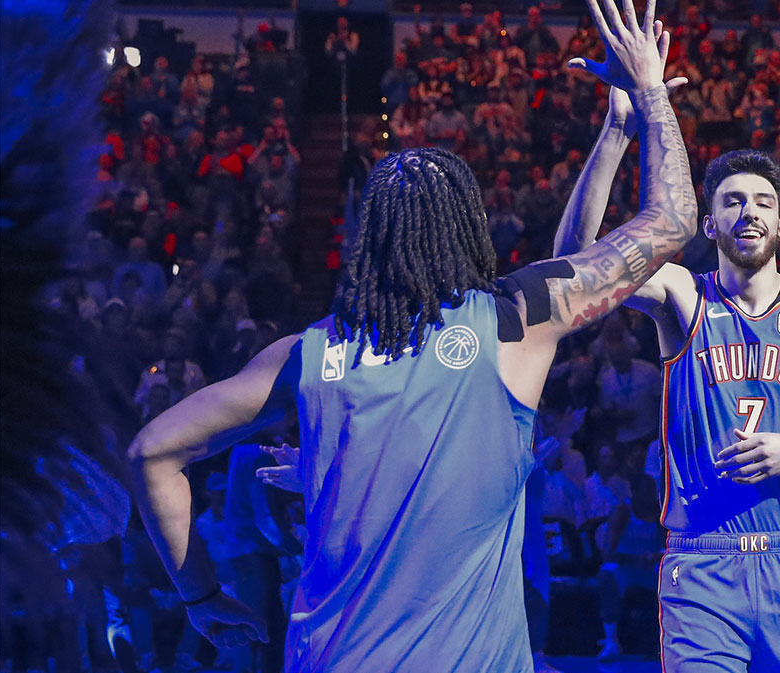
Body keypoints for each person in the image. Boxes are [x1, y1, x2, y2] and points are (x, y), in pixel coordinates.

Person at [126, 2, 699, 669]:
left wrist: (201, 598)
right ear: (465, 230)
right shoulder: (513, 321)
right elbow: (672, 220)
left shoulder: (307, 356)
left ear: (367, 240)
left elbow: (151, 453)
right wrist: (649, 97)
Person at [556, 51, 780, 673]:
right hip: (703, 563)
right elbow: (574, 262)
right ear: (708, 223)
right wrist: (616, 131)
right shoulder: (681, 295)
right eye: (733, 202)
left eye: (763, 202)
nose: (749, 212)